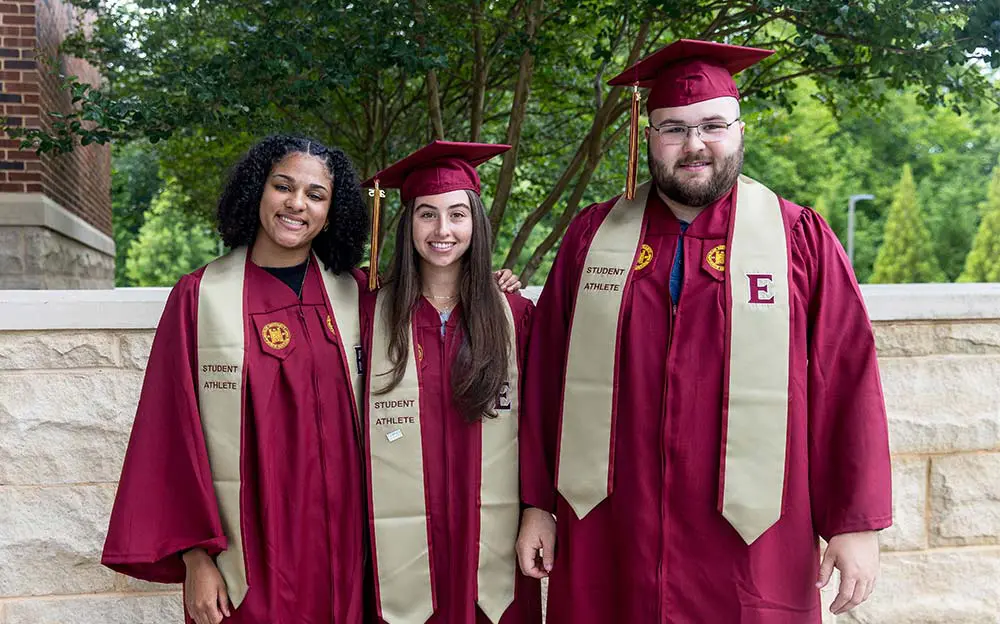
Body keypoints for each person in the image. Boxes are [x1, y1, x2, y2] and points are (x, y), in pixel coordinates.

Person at [516, 39, 892, 623]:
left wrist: (854, 523)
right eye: (674, 129)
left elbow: (846, 380)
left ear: (741, 130)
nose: (694, 145)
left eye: (712, 125)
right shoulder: (593, 239)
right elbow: (546, 378)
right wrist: (537, 504)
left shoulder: (798, 240)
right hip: (614, 531)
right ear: (648, 137)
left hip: (750, 541)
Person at [103, 135, 372, 624]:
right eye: (283, 186)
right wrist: (195, 557)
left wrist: (494, 281)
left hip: (347, 552)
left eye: (316, 195)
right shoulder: (199, 299)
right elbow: (168, 435)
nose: (296, 204)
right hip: (250, 555)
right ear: (257, 193)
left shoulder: (357, 297)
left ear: (331, 214)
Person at [359, 141, 542, 624]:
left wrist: (538, 509)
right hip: (395, 542)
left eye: (457, 215)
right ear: (407, 226)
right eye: (427, 215)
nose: (443, 230)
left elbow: (542, 424)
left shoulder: (516, 316)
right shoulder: (368, 315)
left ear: (475, 224)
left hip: (491, 538)